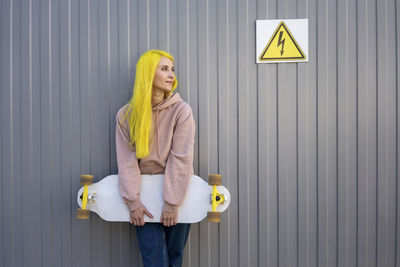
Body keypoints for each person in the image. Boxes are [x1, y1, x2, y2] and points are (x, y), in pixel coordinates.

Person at [115, 50, 195, 267]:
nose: (171, 75)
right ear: (148, 73)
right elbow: (126, 160)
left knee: (174, 258)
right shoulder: (127, 115)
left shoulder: (181, 111)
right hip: (145, 199)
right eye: (164, 69)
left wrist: (171, 203)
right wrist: (133, 202)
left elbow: (181, 158)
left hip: (178, 195)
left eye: (172, 69)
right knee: (154, 261)